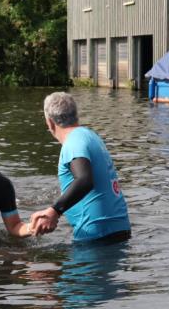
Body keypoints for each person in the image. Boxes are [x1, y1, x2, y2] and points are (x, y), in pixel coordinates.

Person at [29, 92, 131, 243]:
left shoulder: (73, 142)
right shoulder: (90, 136)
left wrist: (54, 211)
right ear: (76, 115)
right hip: (119, 229)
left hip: (97, 236)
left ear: (49, 122)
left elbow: (84, 180)